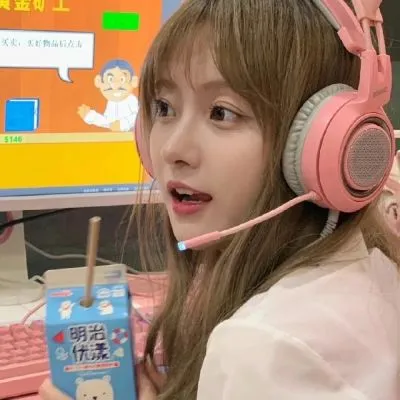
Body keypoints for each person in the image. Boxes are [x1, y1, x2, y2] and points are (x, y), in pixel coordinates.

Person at [40, 0, 400, 399]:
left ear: (326, 145)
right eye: (164, 107)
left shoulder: (265, 346)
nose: (172, 149)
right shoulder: (370, 270)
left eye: (222, 113)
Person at [77, 59, 139, 132]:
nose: (115, 85)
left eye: (122, 79)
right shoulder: (111, 102)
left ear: (133, 82)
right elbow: (108, 122)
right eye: (110, 79)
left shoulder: (131, 100)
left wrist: (123, 123)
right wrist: (91, 116)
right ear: (99, 82)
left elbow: (139, 116)